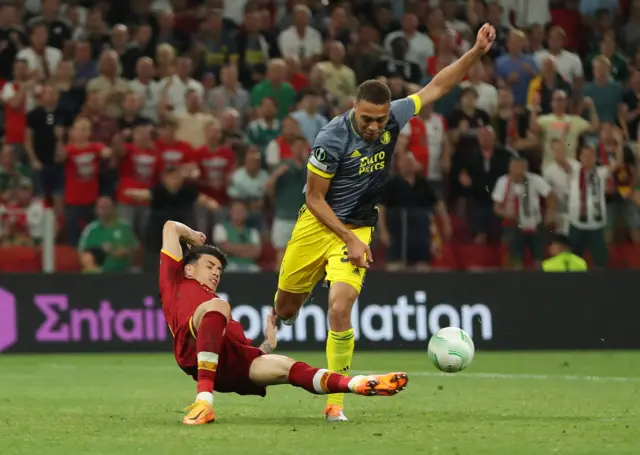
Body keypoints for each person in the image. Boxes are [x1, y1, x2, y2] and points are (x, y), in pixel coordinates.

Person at [272, 24, 497, 422]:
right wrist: (345, 236)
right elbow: (313, 198)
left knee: (340, 308)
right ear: (353, 108)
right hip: (318, 224)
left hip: (357, 227)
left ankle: (334, 403)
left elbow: (437, 87)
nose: (375, 127)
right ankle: (284, 313)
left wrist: (476, 53)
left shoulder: (395, 116)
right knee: (286, 306)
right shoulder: (331, 138)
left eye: (379, 119)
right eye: (367, 119)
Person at [159, 220, 408, 425]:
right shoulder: (176, 280)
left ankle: (357, 384)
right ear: (189, 270)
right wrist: (193, 237)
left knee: (288, 366)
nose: (216, 273)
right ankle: (204, 402)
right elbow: (171, 227)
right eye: (210, 266)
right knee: (219, 306)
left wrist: (267, 346)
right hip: (190, 348)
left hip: (230, 369)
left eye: (220, 271)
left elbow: (238, 351)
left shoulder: (220, 313)